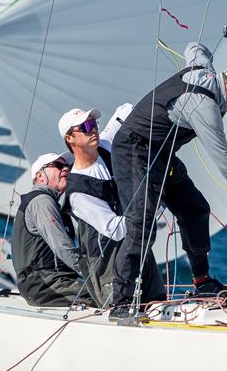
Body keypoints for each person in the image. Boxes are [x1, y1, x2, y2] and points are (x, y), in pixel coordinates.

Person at [111, 42, 227, 311]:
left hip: (161, 154)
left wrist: (208, 51)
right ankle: (121, 301)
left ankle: (202, 282)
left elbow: (194, 47)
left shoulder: (205, 70)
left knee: (196, 210)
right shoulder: (205, 107)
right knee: (142, 225)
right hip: (134, 149)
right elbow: (226, 162)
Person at [60, 104, 166, 308]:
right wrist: (151, 209)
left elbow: (124, 111)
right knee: (122, 314)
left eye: (94, 123)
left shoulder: (106, 147)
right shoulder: (78, 192)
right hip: (108, 265)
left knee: (158, 305)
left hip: (137, 248)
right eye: (85, 127)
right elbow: (114, 229)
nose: (93, 129)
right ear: (70, 138)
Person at [10, 152, 92, 307]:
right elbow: (63, 248)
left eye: (67, 166)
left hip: (44, 282)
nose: (66, 170)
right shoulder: (42, 201)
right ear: (40, 177)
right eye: (58, 166)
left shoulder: (48, 203)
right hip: (45, 284)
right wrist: (93, 276)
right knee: (108, 296)